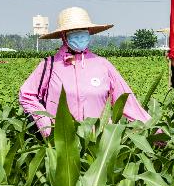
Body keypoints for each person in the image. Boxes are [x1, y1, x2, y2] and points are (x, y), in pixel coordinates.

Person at [19, 7, 150, 136]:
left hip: (99, 142)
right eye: (74, 32)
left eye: (83, 31)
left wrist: (154, 130)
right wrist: (45, 126)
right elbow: (26, 95)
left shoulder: (102, 65)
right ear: (64, 36)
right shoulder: (49, 65)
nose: (80, 36)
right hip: (61, 142)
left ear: (89, 32)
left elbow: (127, 102)